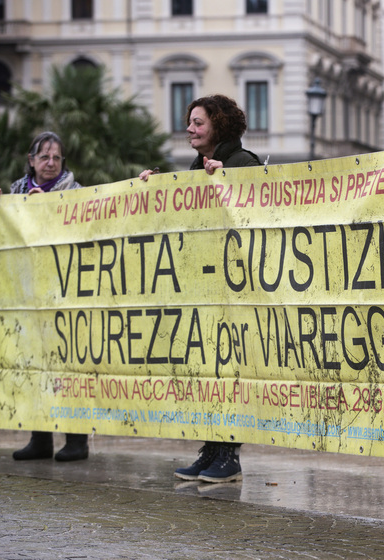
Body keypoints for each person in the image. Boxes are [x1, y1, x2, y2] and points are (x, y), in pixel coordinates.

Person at [141, 94, 261, 483]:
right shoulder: (193, 168)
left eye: (197, 122)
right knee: (206, 373)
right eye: (189, 122)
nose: (189, 129)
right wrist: (153, 189)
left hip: (235, 292)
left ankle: (229, 455)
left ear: (219, 125)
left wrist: (224, 180)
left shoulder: (243, 163)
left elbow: (258, 217)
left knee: (230, 373)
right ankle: (210, 450)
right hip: (204, 289)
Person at [0, 131, 89, 462]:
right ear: (32, 161)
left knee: (69, 367)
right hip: (29, 298)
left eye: (56, 157)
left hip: (66, 296)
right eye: (44, 157)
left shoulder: (78, 194)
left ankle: (76, 440)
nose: (51, 163)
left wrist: (49, 210)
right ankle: (40, 438)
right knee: (35, 365)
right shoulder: (15, 193)